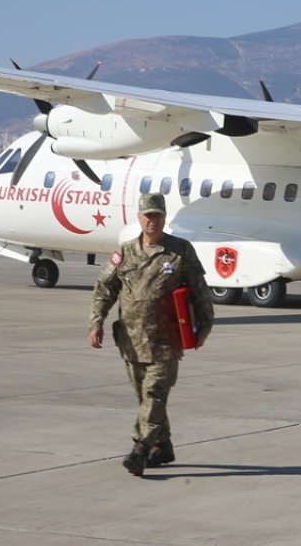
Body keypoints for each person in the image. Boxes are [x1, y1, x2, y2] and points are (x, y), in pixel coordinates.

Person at [89, 193, 215, 477]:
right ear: (139, 218)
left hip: (166, 341)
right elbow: (104, 290)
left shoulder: (179, 251)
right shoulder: (125, 253)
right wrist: (95, 323)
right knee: (145, 399)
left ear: (164, 217)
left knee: (154, 395)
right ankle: (164, 446)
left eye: (157, 215)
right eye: (148, 215)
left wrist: (204, 327)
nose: (152, 220)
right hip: (131, 342)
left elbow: (200, 292)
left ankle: (140, 449)